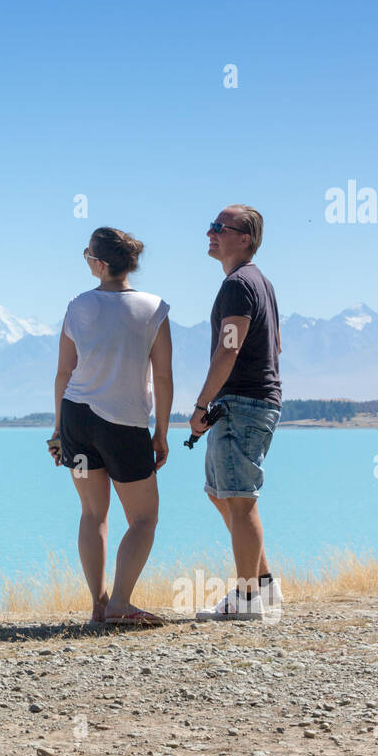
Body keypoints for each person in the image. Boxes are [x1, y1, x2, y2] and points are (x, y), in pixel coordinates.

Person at [48, 227, 173, 625]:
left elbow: (64, 373)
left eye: (87, 255)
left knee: (92, 513)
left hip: (77, 422)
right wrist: (162, 433)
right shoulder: (154, 308)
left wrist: (57, 432)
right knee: (144, 518)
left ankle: (99, 606)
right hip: (124, 427)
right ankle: (120, 602)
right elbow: (165, 377)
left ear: (100, 264)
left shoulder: (77, 306)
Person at [189, 205, 284, 621]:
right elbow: (275, 346)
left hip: (242, 404)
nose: (210, 233)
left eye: (219, 228)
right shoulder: (257, 282)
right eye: (211, 226)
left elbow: (229, 348)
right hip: (250, 403)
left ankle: (246, 601)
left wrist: (200, 405)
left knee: (240, 501)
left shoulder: (238, 285)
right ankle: (264, 586)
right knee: (219, 492)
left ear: (243, 238)